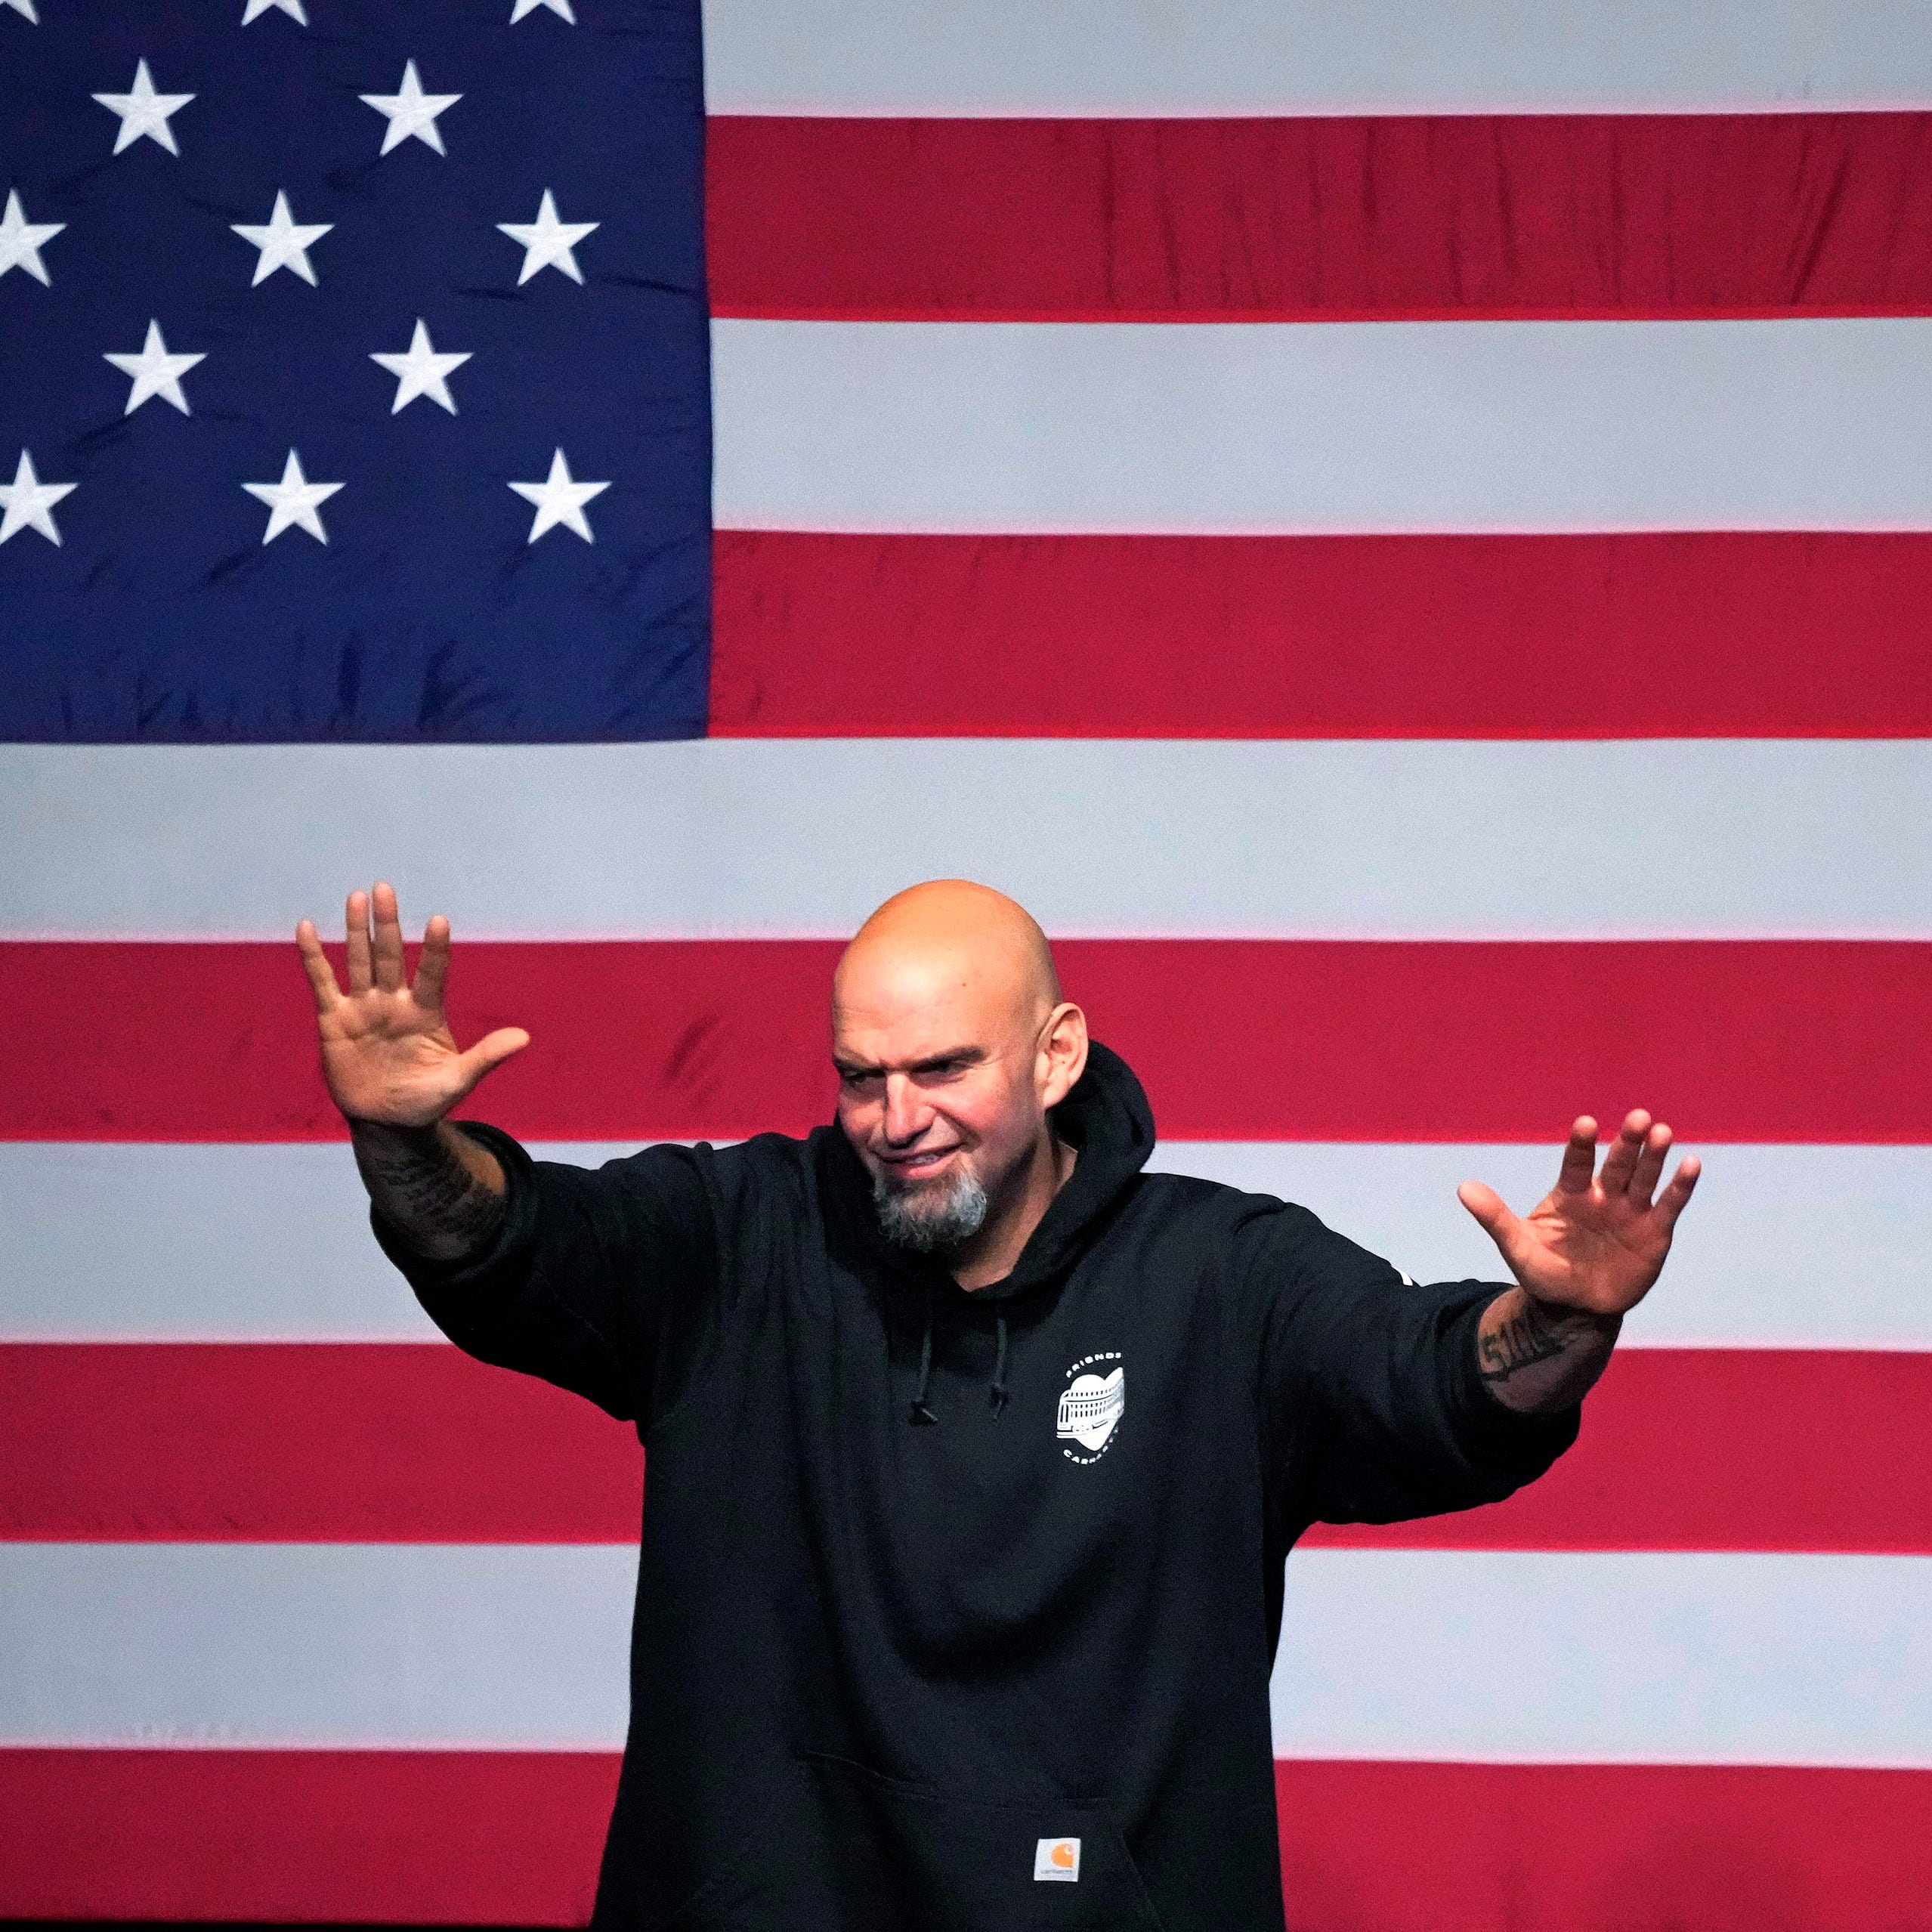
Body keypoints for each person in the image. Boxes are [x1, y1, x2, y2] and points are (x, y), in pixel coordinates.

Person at [295, 877, 1699, 1932]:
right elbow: (505, 1244)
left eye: (943, 1068)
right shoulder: (737, 1240)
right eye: (860, 1076)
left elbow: (1443, 1385)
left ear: (1055, 1053)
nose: (894, 1117)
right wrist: (407, 1142)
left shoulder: (1222, 1277)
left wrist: (1563, 1316)